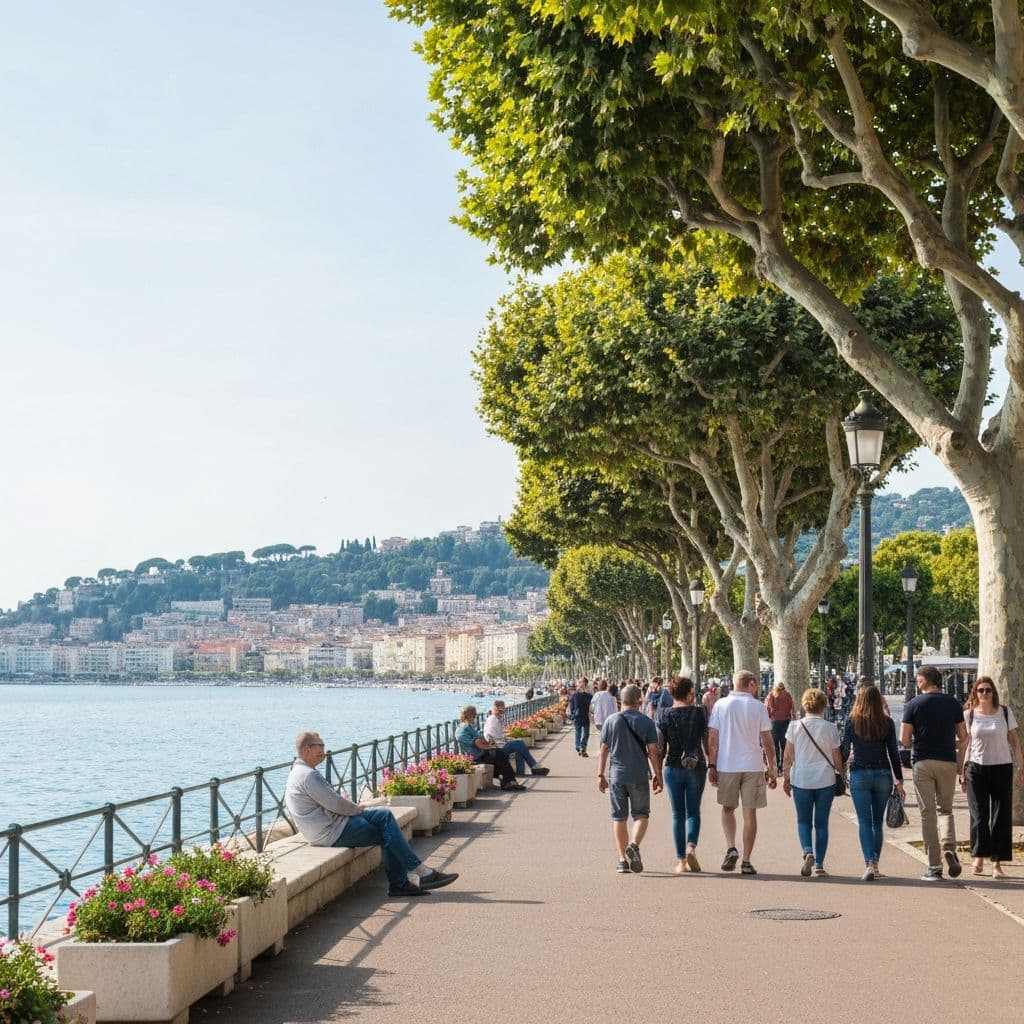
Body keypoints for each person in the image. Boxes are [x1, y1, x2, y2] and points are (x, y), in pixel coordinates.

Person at [285, 730, 458, 899]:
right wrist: (358, 809)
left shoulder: (300, 772)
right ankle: (413, 876)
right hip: (331, 832)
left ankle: (407, 880)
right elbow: (336, 804)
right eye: (320, 746)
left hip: (329, 825)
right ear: (307, 749)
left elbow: (332, 802)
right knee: (387, 831)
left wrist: (355, 808)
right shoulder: (308, 775)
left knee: (385, 818)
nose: (323, 750)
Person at [901, 665, 969, 881]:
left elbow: (904, 739)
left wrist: (921, 740)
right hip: (947, 762)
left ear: (925, 680)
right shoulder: (953, 703)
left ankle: (934, 865)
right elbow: (964, 737)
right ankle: (949, 848)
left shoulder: (913, 704)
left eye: (918, 679)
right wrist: (949, 744)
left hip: (922, 761)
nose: (916, 682)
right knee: (945, 810)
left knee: (927, 813)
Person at [707, 669, 777, 875]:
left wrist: (712, 765)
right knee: (750, 813)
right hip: (753, 765)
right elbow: (767, 740)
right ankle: (746, 860)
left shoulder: (721, 705)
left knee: (728, 808)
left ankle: (731, 847)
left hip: (727, 764)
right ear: (751, 684)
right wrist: (772, 767)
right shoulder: (758, 707)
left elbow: (713, 738)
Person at [961, 677, 1024, 878]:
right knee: (979, 816)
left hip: (1002, 767)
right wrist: (961, 772)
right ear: (975, 693)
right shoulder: (969, 715)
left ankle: (997, 863)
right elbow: (965, 745)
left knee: (1000, 817)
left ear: (993, 692)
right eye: (981, 690)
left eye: (988, 690)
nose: (984, 694)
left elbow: (1015, 742)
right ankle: (979, 856)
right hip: (975, 768)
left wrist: (1021, 768)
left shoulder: (1005, 712)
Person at [841, 683, 905, 881]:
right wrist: (899, 780)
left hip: (860, 774)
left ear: (859, 700)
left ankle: (869, 862)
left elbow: (845, 749)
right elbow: (894, 753)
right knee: (877, 822)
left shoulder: (852, 721)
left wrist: (839, 766)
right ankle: (875, 865)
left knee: (864, 821)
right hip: (883, 774)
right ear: (879, 701)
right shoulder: (887, 722)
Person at [597, 683, 663, 873]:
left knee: (619, 817)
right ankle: (633, 845)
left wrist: (600, 774)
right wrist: (658, 775)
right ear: (639, 701)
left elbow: (604, 749)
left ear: (620, 700)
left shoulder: (611, 721)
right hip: (639, 775)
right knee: (641, 815)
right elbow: (653, 752)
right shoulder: (647, 722)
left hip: (617, 775)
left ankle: (622, 860)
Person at [782, 688, 841, 878]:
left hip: (801, 780)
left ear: (804, 705)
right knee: (821, 823)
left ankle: (808, 851)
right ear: (824, 705)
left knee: (803, 820)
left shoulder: (794, 726)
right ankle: (820, 865)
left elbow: (788, 756)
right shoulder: (831, 728)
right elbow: (837, 758)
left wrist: (786, 778)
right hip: (825, 780)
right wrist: (841, 774)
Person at [656, 676, 708, 873]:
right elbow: (706, 741)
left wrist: (657, 773)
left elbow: (660, 747)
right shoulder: (700, 713)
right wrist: (712, 764)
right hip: (696, 765)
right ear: (689, 694)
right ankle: (691, 847)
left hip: (673, 766)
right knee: (693, 812)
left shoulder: (663, 714)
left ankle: (681, 862)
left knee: (677, 814)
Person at [454, 705, 525, 790]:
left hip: (471, 756)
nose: (475, 717)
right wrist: (490, 746)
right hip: (477, 757)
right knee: (498, 753)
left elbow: (478, 740)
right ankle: (509, 781)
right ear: (471, 715)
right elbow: (478, 742)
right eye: (475, 715)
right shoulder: (467, 727)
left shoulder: (460, 727)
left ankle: (508, 781)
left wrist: (489, 745)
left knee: (498, 755)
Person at [483, 699, 550, 777]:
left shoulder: (493, 719)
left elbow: (498, 737)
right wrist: (510, 741)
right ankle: (534, 767)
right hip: (498, 748)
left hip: (499, 745)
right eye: (502, 710)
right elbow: (494, 738)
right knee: (519, 744)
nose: (503, 713)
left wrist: (510, 740)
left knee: (519, 748)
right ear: (498, 710)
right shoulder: (493, 721)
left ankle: (521, 772)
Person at [765, 681, 796, 771]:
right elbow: (792, 707)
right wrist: (793, 716)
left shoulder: (771, 695)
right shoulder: (787, 695)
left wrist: (768, 717)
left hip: (774, 722)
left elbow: (767, 708)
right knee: (784, 745)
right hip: (786, 722)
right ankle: (784, 765)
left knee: (774, 745)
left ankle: (776, 766)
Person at [569, 679, 594, 756]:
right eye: (580, 683)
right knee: (579, 733)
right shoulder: (575, 695)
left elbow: (592, 705)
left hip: (585, 716)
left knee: (586, 733)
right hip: (578, 717)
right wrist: (573, 714)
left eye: (583, 683)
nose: (582, 685)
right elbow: (572, 706)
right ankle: (579, 747)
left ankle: (582, 747)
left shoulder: (588, 696)